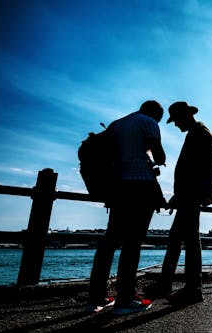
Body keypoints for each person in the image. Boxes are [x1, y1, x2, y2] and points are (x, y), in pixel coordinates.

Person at [87, 100, 167, 314]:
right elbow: (160, 156)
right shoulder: (148, 122)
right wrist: (153, 156)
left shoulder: (117, 124)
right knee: (133, 244)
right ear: (156, 113)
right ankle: (125, 298)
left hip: (117, 187)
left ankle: (96, 296)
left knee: (109, 241)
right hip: (141, 186)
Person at [147, 101, 212, 305]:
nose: (175, 125)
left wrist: (182, 195)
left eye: (176, 120)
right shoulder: (198, 133)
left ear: (185, 115)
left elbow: (196, 170)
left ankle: (192, 289)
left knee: (188, 241)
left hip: (190, 195)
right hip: (189, 195)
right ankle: (169, 284)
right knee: (179, 238)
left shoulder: (200, 135)